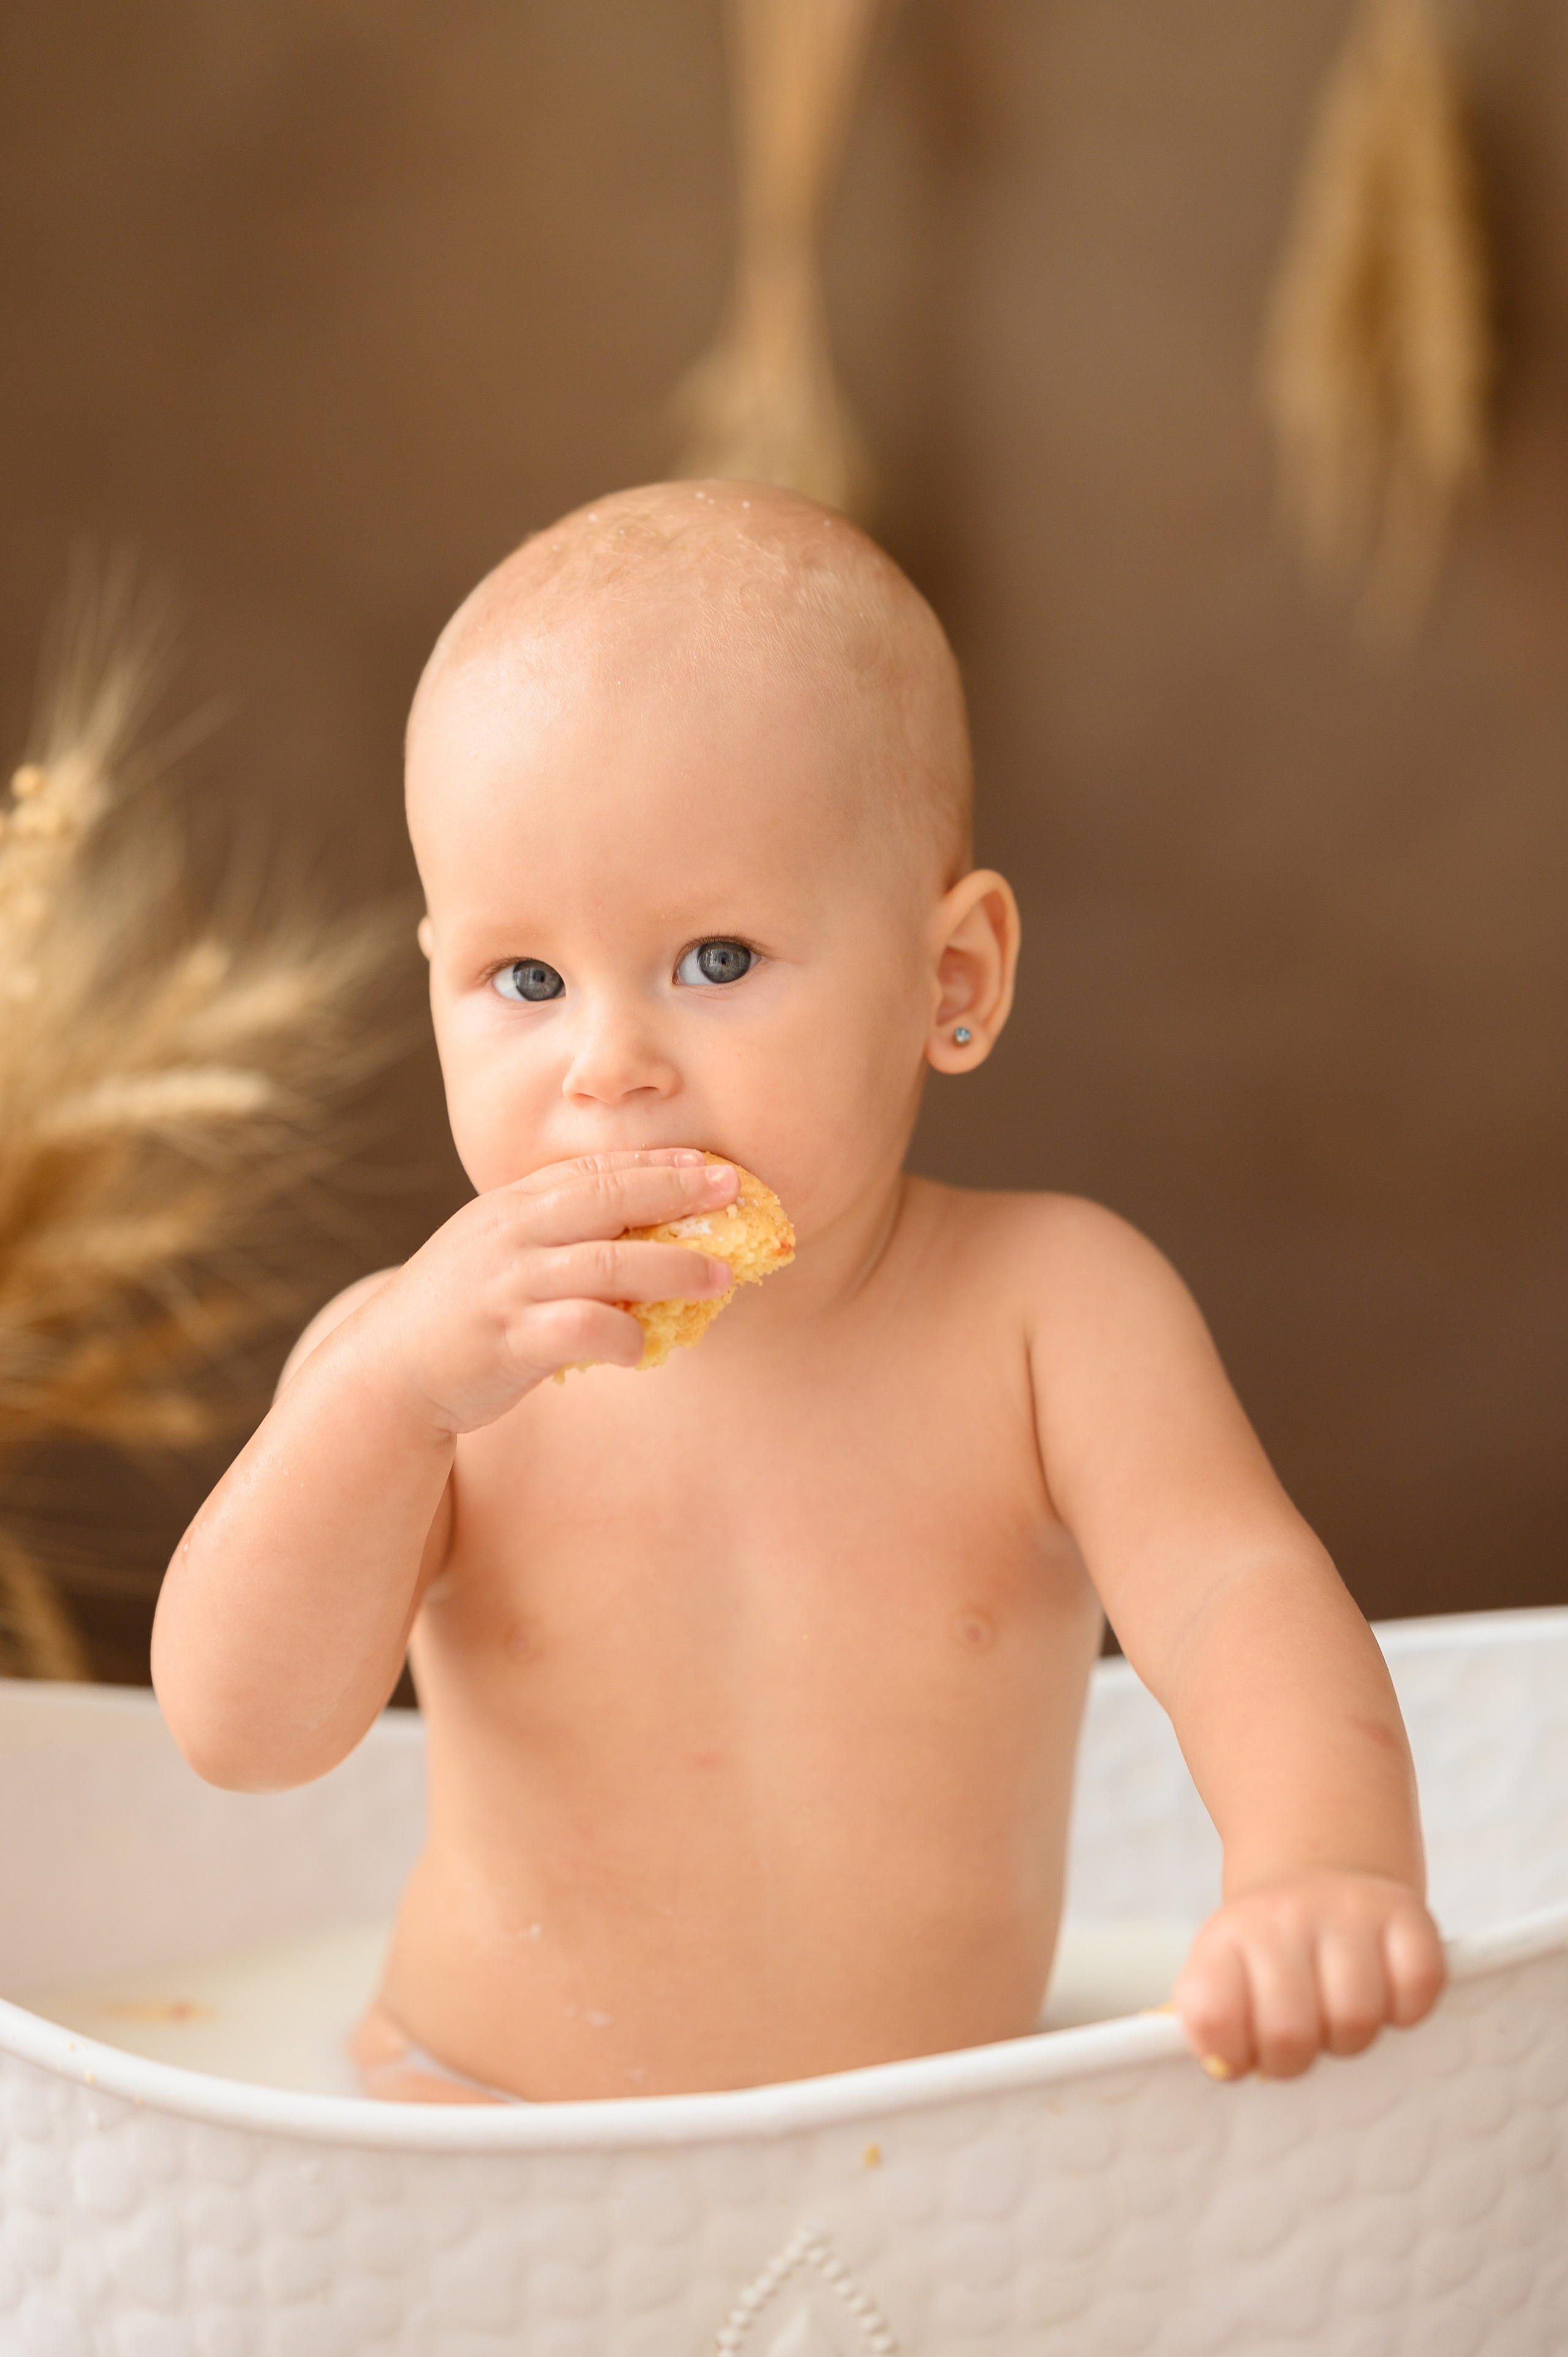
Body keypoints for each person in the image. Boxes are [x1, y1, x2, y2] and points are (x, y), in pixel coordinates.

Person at [151, 481, 1445, 2104]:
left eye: (716, 961)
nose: (608, 1065)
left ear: (949, 980)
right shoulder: (425, 1370)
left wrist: (1319, 1867)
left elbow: (1231, 1596)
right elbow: (237, 1733)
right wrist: (388, 1397)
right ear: (439, 985)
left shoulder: (1051, 1317)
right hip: (465, 2116)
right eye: (526, 981)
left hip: (928, 2146)